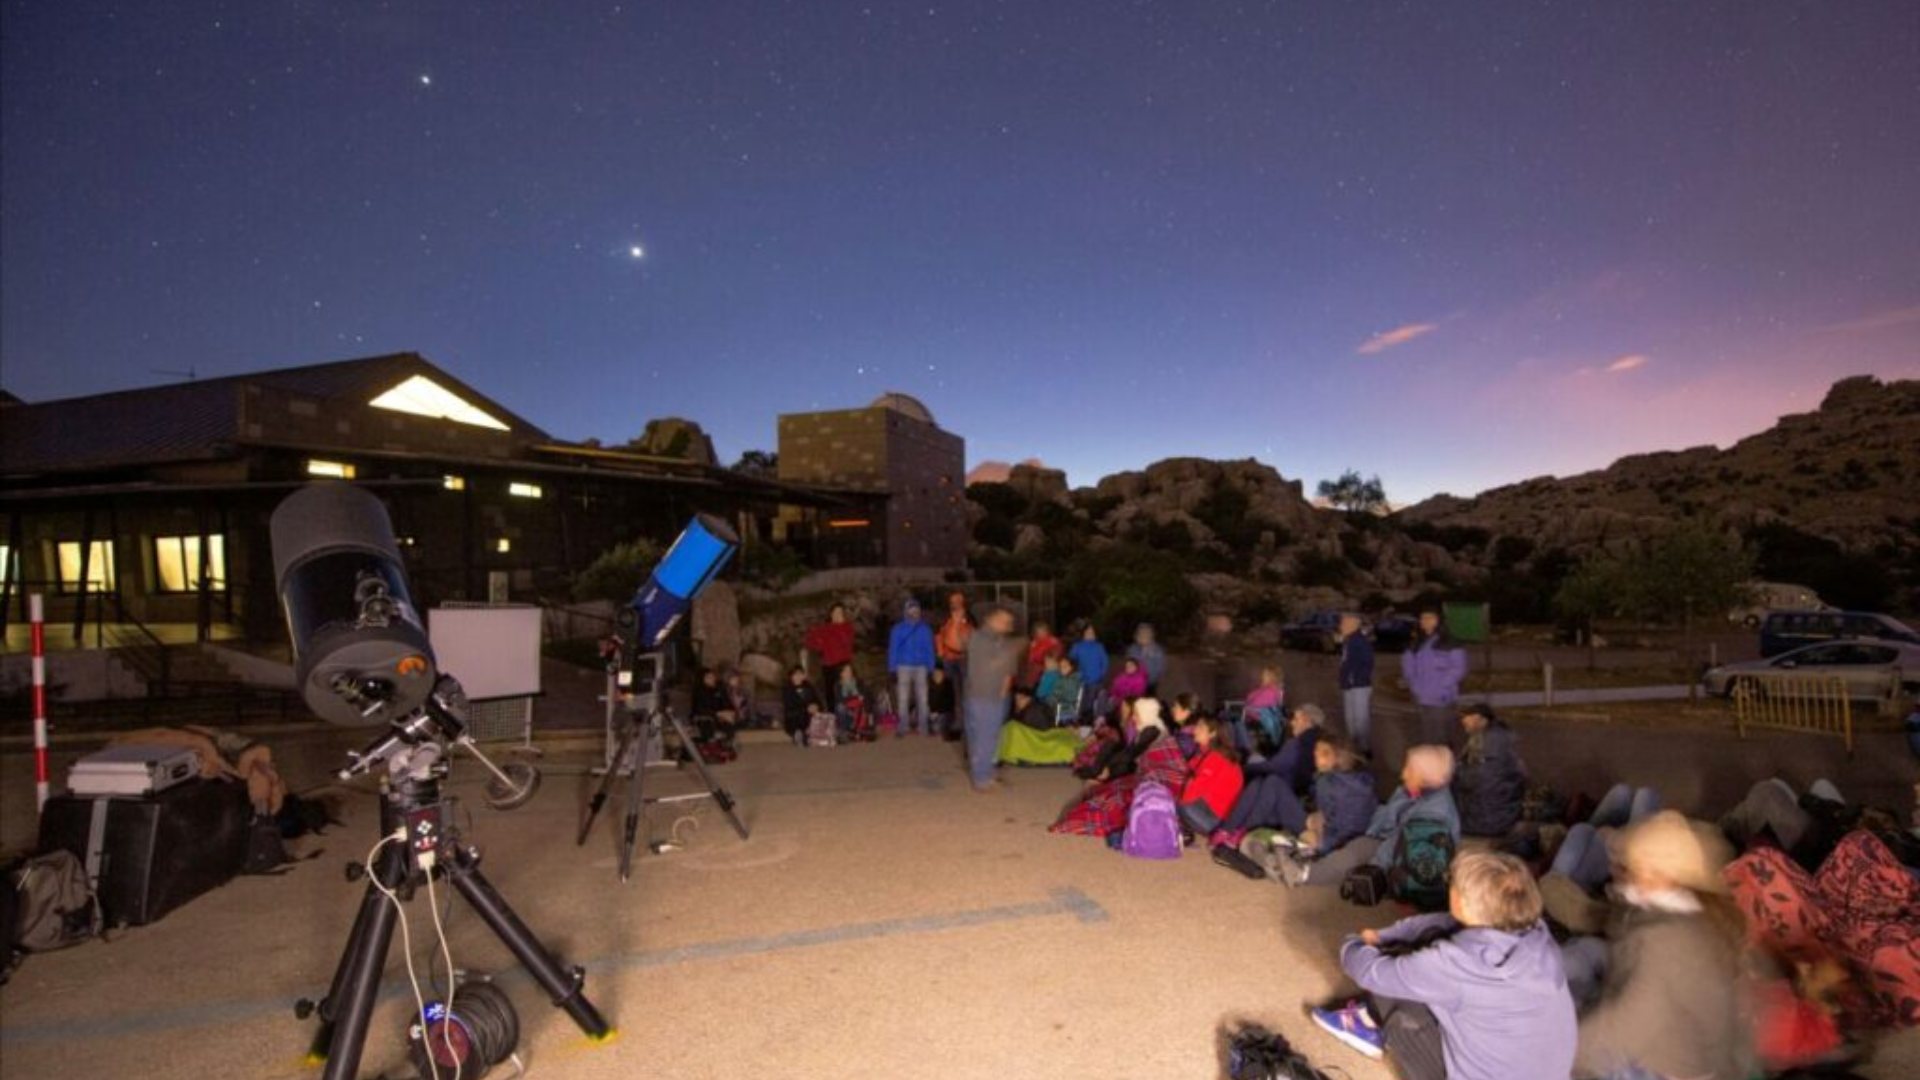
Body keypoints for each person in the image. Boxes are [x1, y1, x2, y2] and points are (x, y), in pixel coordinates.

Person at [1310, 852, 1577, 1080]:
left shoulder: (1453, 963)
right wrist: (1385, 933)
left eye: (1454, 885)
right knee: (1427, 945)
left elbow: (1368, 971)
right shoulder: (1538, 933)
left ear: (1465, 903)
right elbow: (1441, 922)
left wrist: (1355, 942)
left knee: (1394, 990)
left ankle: (1372, 1029)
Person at [1567, 811, 1753, 1080]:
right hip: (1696, 1049)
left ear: (1653, 874)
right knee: (1583, 957)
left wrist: (1557, 1053)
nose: (1617, 869)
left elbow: (1627, 1025)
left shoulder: (1665, 941)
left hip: (1671, 1066)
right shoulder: (1697, 915)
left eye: (1628, 865)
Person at [1284, 744, 1459, 888]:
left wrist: (1375, 867)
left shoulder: (1432, 814)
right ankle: (1306, 859)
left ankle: (1305, 875)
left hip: (1401, 856)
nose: (1403, 774)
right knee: (1351, 840)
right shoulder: (1411, 792)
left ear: (1424, 775)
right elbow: (1386, 815)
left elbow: (1397, 844)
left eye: (1409, 769)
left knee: (1357, 849)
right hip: (1383, 835)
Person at [1051, 698, 1190, 837]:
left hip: (1150, 776)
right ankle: (1096, 775)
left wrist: (1109, 769)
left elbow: (1133, 756)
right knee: (1105, 784)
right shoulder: (1144, 728)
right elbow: (1128, 751)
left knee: (1114, 800)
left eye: (1136, 714)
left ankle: (1096, 777)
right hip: (1140, 771)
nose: (1133, 717)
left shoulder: (1152, 731)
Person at [1221, 704, 1325, 836]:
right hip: (1298, 795)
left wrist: (1244, 769)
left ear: (1306, 721)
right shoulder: (1319, 743)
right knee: (1261, 777)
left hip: (1284, 795)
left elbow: (1274, 767)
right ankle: (1231, 830)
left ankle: (1232, 829)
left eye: (1296, 719)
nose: (1292, 723)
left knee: (1261, 780)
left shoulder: (1298, 743)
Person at [962, 606, 1022, 792]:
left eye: (1009, 622)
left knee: (988, 737)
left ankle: (985, 773)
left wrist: (1005, 690)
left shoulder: (1000, 640)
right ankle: (982, 778)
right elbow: (988, 666)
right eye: (1004, 620)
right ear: (991, 619)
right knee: (983, 737)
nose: (1007, 625)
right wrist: (1011, 651)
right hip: (982, 696)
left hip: (994, 696)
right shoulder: (979, 639)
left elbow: (1008, 670)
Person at [1452, 703, 1527, 838]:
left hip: (1490, 820)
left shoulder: (1492, 741)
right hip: (1500, 811)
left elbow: (1483, 778)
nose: (1463, 721)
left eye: (1467, 717)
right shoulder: (1493, 736)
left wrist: (1453, 774)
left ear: (1481, 719)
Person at [1402, 609, 1468, 745]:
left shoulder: (1450, 642)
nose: (1425, 621)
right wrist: (1413, 685)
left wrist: (1441, 686)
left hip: (1441, 697)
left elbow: (1458, 668)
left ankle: (1444, 762)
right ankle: (1430, 762)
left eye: (1430, 617)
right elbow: (1408, 667)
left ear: (1439, 621)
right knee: (1426, 733)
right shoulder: (1416, 643)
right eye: (1422, 618)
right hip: (1421, 696)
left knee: (1442, 735)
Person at [1179, 713, 1243, 839]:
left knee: (1173, 804)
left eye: (1200, 727)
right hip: (1212, 813)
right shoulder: (1204, 752)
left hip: (1215, 821)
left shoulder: (1216, 757)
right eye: (1196, 726)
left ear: (1212, 733)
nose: (1195, 730)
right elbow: (1186, 773)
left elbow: (1188, 796)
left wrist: (1186, 784)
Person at [887, 598, 937, 737]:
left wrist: (931, 667)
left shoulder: (925, 629)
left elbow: (929, 649)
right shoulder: (898, 629)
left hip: (921, 666)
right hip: (903, 666)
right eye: (911, 609)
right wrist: (892, 668)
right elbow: (893, 649)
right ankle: (903, 727)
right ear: (906, 611)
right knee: (903, 698)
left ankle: (923, 727)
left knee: (923, 699)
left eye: (916, 610)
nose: (914, 612)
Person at [1337, 613, 1376, 755]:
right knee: (1351, 718)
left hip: (1359, 685)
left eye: (1343, 623)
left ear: (1352, 625)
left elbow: (1367, 663)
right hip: (1349, 685)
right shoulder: (1350, 640)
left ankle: (1364, 748)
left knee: (1360, 718)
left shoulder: (1359, 641)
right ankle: (1354, 746)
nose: (1340, 626)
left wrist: (1354, 678)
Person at [804, 602, 856, 690]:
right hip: (829, 665)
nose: (837, 615)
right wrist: (818, 644)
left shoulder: (848, 628)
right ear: (831, 614)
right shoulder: (824, 628)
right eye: (835, 612)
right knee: (831, 691)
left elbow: (847, 642)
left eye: (840, 612)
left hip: (844, 664)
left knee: (847, 689)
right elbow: (810, 640)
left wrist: (840, 626)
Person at [936, 590, 973, 691]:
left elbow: (975, 635)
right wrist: (940, 652)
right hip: (948, 657)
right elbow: (939, 635)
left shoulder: (969, 617)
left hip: (964, 658)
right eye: (952, 601)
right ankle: (954, 705)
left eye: (958, 600)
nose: (955, 603)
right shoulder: (945, 617)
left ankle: (965, 705)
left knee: (966, 685)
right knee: (951, 686)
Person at [781, 666, 826, 748]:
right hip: (795, 716)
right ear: (791, 677)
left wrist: (816, 707)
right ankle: (798, 734)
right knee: (798, 716)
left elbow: (818, 701)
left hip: (810, 715)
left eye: (800, 674)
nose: (798, 677)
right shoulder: (787, 689)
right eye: (796, 675)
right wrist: (806, 709)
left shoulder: (809, 687)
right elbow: (789, 706)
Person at [1243, 666, 1286, 750]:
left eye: (1264, 675)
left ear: (1271, 677)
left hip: (1258, 722)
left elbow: (1254, 707)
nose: (1261, 676)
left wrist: (1246, 709)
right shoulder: (1269, 690)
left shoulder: (1269, 692)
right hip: (1258, 720)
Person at [1126, 622, 1168, 692]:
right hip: (1135, 681)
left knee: (1150, 697)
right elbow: (1128, 662)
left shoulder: (1157, 650)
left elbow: (1161, 666)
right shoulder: (1133, 649)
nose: (1144, 639)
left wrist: (1154, 677)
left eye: (1146, 636)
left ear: (1151, 637)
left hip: (1151, 681)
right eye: (1141, 636)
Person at [1022, 619, 1063, 690]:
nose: (1041, 634)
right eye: (1039, 632)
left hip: (1049, 671)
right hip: (1035, 673)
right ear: (1035, 633)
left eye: (1043, 631)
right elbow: (1029, 659)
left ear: (1048, 631)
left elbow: (1056, 656)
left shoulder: (1053, 641)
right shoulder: (1033, 643)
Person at [1068, 622, 1109, 691]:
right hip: (1081, 681)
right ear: (1083, 633)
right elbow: (1070, 661)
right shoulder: (1077, 647)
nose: (1090, 634)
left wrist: (1101, 675)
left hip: (1096, 681)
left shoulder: (1099, 647)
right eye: (1088, 632)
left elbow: (1105, 663)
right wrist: (1076, 675)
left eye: (1092, 632)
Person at [1046, 655, 1084, 722]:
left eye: (1065, 667)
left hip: (1064, 710)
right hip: (1059, 707)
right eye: (1060, 667)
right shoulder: (1062, 678)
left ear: (1072, 667)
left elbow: (1070, 697)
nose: (1062, 669)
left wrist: (1052, 699)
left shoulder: (1072, 681)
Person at [928, 665, 958, 739]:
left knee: (939, 726)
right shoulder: (931, 685)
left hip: (944, 713)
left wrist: (938, 712)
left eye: (939, 673)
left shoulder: (948, 685)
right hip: (934, 714)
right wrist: (932, 712)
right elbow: (930, 701)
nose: (937, 675)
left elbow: (950, 703)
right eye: (935, 673)